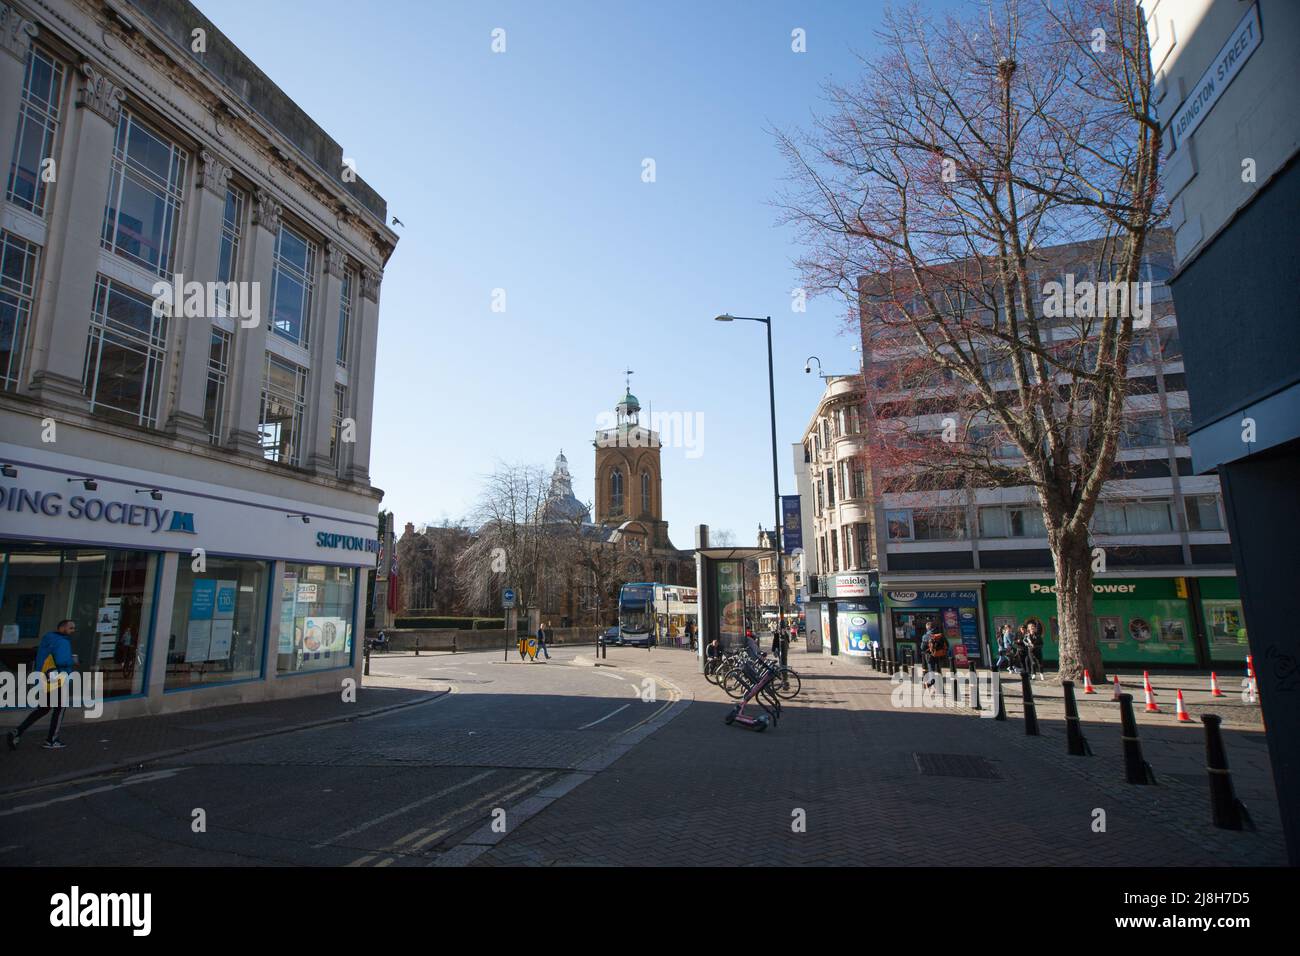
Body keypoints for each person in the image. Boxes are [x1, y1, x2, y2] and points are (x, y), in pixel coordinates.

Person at [8, 619, 77, 751]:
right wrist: (72, 660)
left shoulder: (48, 638)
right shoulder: (62, 642)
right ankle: (52, 740)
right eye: (71, 628)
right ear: (62, 628)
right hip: (58, 678)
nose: (73, 630)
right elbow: (62, 660)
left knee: (43, 708)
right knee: (60, 708)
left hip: (45, 677)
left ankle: (17, 731)